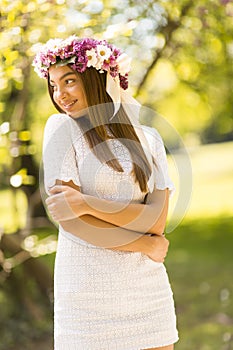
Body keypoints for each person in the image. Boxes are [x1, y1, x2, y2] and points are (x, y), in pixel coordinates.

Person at [33, 36, 179, 350]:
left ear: (97, 77)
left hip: (147, 294)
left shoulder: (148, 138)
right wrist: (143, 243)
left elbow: (156, 222)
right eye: (54, 85)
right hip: (87, 298)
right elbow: (73, 223)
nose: (60, 95)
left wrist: (84, 202)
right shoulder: (61, 129)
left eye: (69, 81)